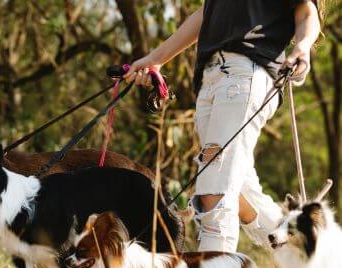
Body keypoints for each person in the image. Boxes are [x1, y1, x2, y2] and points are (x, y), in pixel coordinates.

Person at [124, 1, 323, 252]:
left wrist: (303, 48)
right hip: (209, 80)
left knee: (214, 193)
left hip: (245, 73)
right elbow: (206, 13)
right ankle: (314, 255)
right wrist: (155, 59)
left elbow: (306, 11)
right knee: (239, 191)